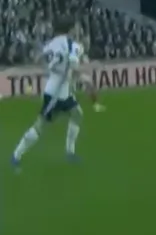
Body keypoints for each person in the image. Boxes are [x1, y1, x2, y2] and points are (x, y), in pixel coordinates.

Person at [11, 19, 100, 168]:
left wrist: (52, 68)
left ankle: (70, 153)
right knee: (39, 125)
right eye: (75, 28)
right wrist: (92, 66)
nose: (77, 31)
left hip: (59, 90)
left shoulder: (51, 43)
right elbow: (74, 68)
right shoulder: (72, 45)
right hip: (56, 94)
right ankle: (16, 155)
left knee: (77, 114)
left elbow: (37, 58)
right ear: (70, 29)